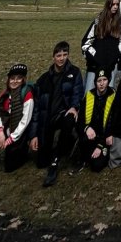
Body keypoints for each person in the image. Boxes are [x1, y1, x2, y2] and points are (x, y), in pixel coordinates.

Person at [32, 41, 84, 187]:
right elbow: (36, 108)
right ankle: (57, 148)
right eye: (58, 55)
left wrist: (74, 107)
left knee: (69, 120)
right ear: (53, 57)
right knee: (41, 162)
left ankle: (56, 159)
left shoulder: (74, 72)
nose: (62, 58)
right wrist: (33, 135)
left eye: (65, 55)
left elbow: (78, 92)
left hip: (64, 114)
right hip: (48, 117)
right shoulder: (44, 79)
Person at [81, 0, 121, 93]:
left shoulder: (120, 22)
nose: (115, 7)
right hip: (94, 66)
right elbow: (86, 42)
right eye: (113, 4)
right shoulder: (98, 21)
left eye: (117, 4)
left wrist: (115, 55)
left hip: (110, 66)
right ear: (108, 5)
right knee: (90, 93)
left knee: (108, 94)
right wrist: (95, 56)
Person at [77, 67, 115, 172]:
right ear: (95, 82)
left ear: (109, 80)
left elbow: (114, 123)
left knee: (97, 166)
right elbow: (80, 120)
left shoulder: (114, 96)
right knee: (85, 152)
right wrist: (86, 128)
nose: (102, 84)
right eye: (99, 81)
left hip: (105, 138)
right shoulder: (89, 95)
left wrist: (100, 145)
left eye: (104, 80)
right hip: (91, 135)